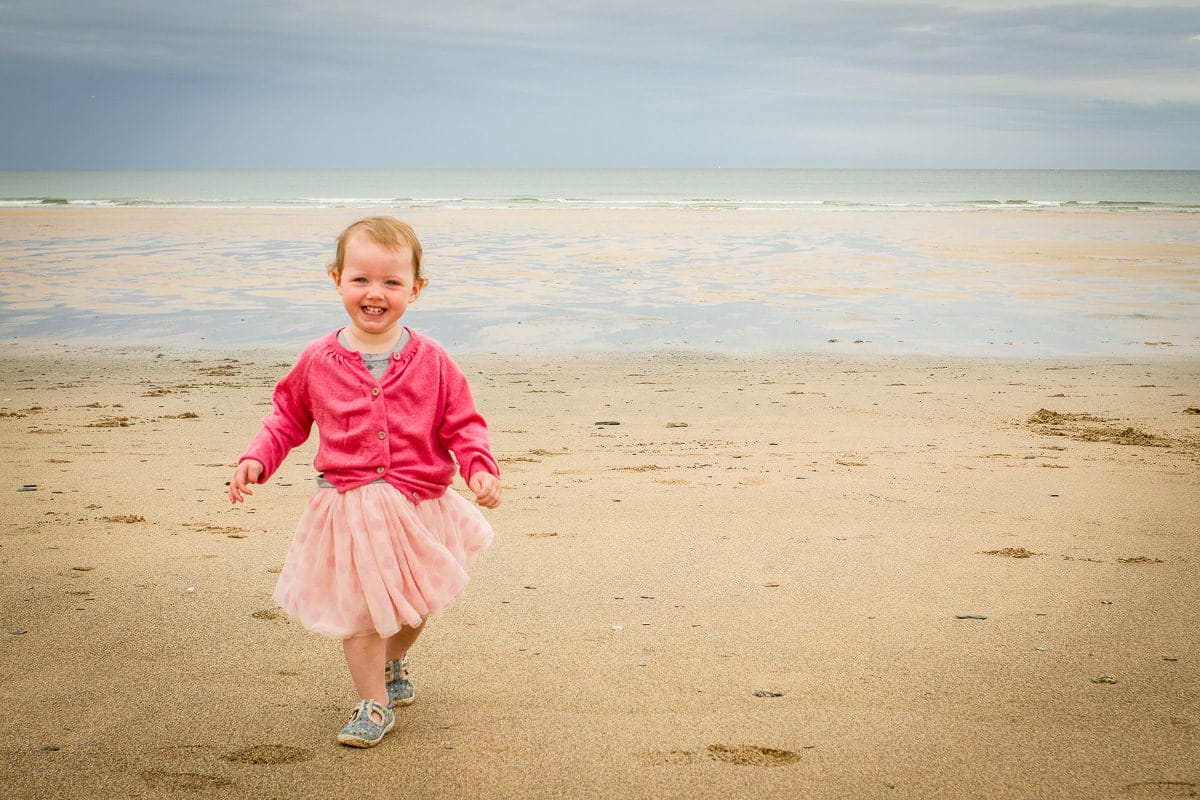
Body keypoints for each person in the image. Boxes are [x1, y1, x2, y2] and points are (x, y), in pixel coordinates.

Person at [229, 216, 501, 748]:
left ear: (415, 289)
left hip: (419, 502)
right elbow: (287, 418)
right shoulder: (317, 360)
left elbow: (462, 422)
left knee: (417, 606)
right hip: (351, 504)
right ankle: (373, 702)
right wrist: (258, 457)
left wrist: (479, 467)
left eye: (391, 282)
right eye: (361, 279)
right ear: (337, 280)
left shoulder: (433, 360)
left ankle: (393, 661)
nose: (375, 293)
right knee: (362, 612)